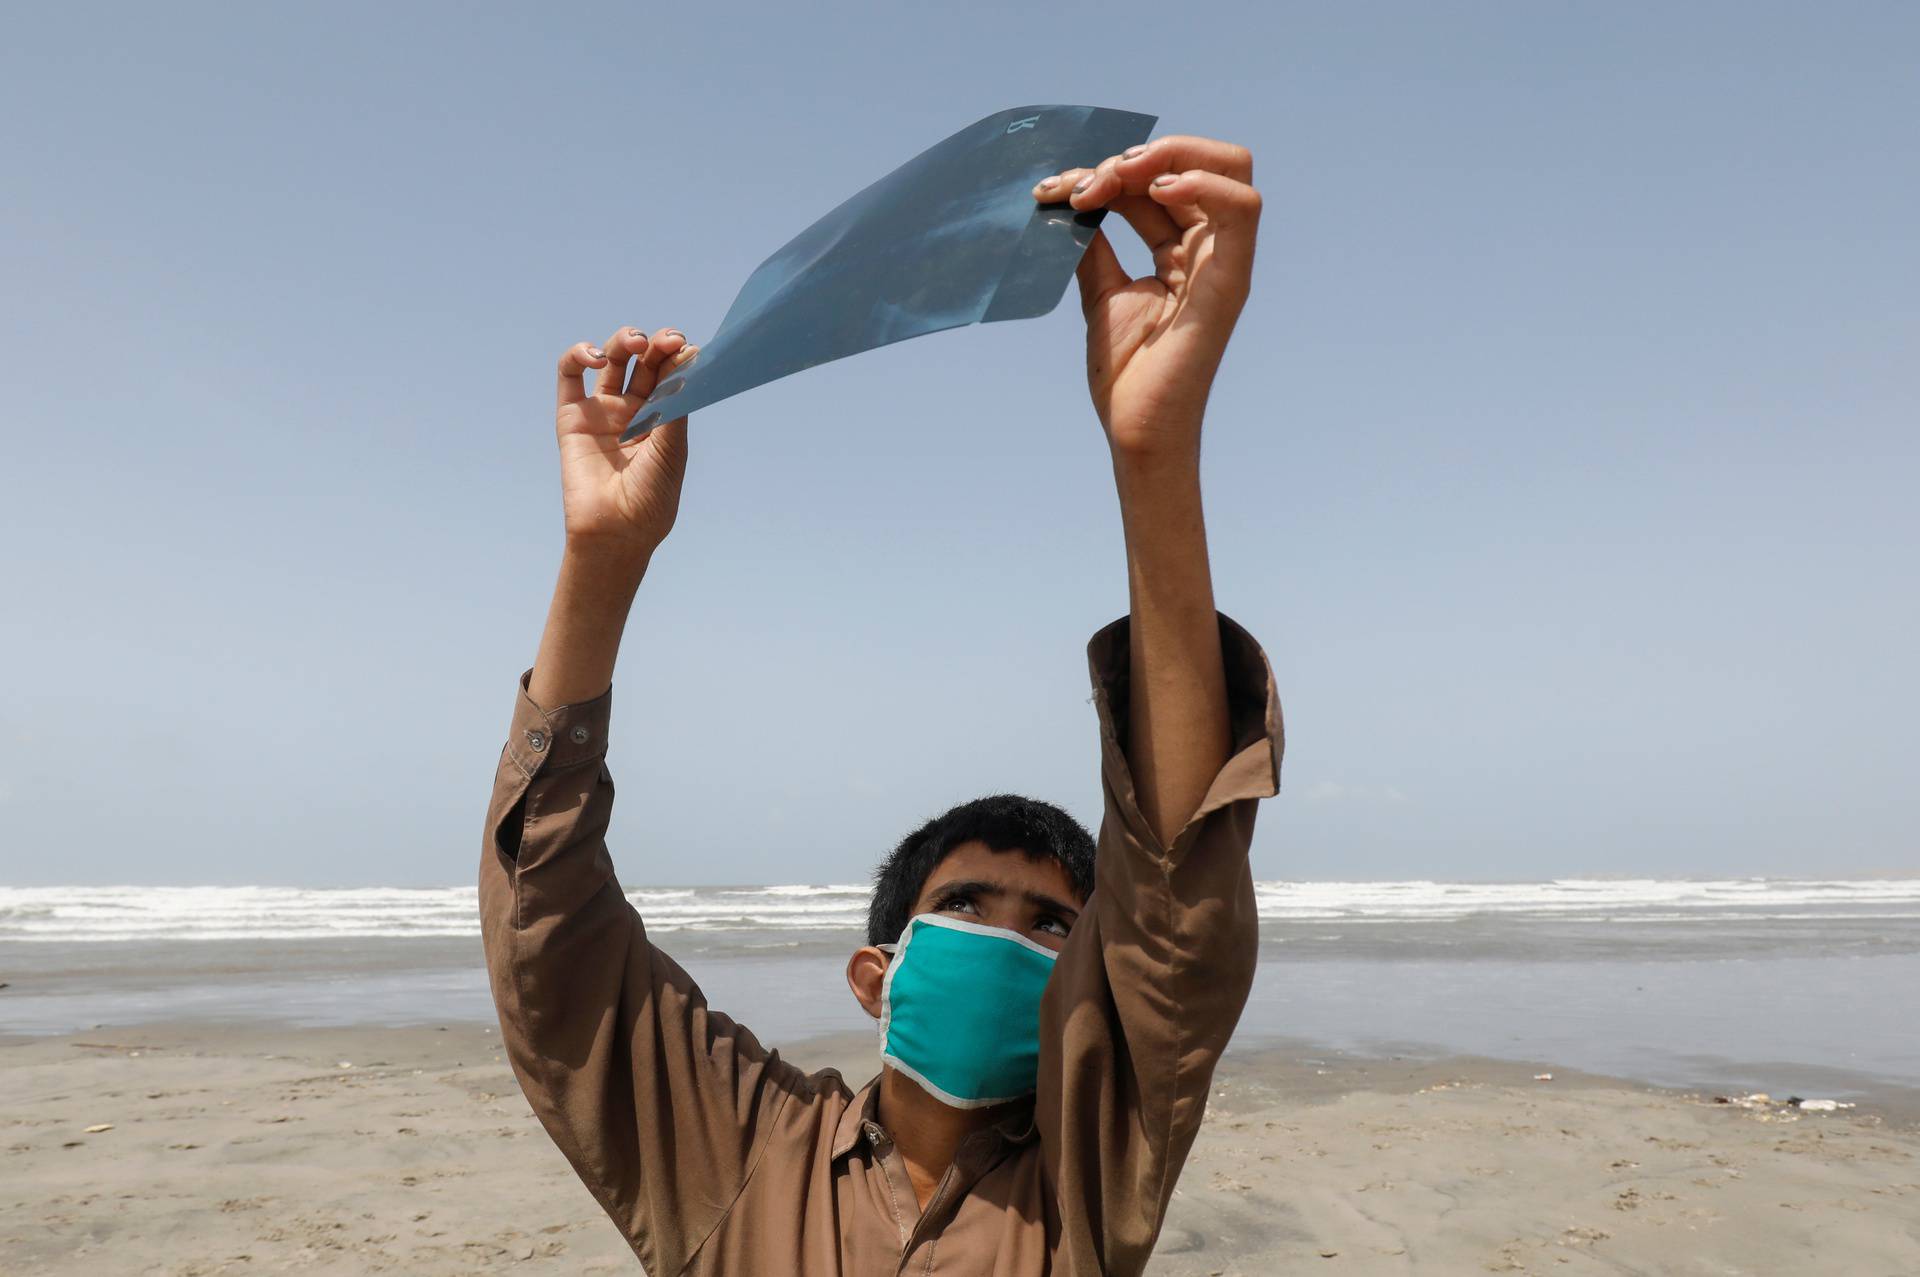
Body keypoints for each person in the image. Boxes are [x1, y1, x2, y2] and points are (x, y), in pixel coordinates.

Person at [480, 134, 1283, 1276]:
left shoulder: (1087, 1180)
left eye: (1053, 924)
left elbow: (1177, 887)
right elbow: (550, 951)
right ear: (877, 972)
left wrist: (1154, 451)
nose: (1008, 934)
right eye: (965, 901)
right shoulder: (742, 1149)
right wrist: (600, 564)